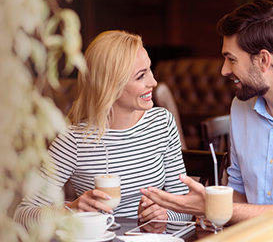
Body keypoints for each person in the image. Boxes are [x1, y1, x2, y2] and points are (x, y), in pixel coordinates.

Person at [141, 0, 273, 226]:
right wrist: (207, 205)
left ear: (263, 60)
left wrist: (214, 207)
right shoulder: (241, 107)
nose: (224, 70)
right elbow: (238, 191)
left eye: (231, 59)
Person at [14, 30, 192, 228]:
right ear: (111, 86)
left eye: (150, 70)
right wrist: (69, 210)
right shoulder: (74, 140)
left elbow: (185, 209)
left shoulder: (162, 123)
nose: (153, 82)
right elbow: (23, 215)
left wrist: (164, 215)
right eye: (141, 76)